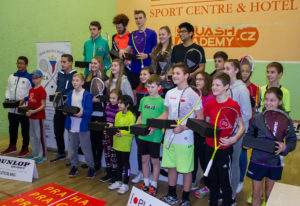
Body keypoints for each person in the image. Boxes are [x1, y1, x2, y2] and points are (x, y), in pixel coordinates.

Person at [159, 63, 203, 206]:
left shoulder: (193, 95)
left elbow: (200, 118)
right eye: (174, 73)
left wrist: (184, 128)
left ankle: (185, 199)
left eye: (178, 73)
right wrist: (152, 123)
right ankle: (171, 195)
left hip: (185, 138)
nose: (175, 76)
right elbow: (166, 113)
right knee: (171, 167)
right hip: (169, 138)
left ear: (186, 76)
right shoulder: (169, 93)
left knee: (186, 170)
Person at [245, 87, 296, 206]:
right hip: (256, 161)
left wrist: (285, 147)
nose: (268, 103)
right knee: (256, 194)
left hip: (274, 163)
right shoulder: (257, 118)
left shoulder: (286, 119)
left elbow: (292, 140)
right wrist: (247, 144)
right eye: (266, 99)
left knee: (270, 195)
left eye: (272, 100)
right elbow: (249, 135)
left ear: (280, 102)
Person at [204, 72, 245, 206]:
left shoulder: (233, 105)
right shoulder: (209, 104)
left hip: (224, 149)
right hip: (210, 147)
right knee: (213, 180)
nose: (214, 87)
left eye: (218, 85)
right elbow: (207, 123)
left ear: (226, 86)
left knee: (224, 181)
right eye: (213, 84)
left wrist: (233, 139)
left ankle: (228, 202)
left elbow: (241, 127)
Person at [224, 59, 252, 202]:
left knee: (234, 163)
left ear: (236, 71)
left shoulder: (242, 89)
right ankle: (226, 189)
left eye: (228, 68)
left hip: (237, 133)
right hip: (226, 131)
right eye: (224, 68)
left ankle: (232, 195)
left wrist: (234, 126)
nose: (225, 71)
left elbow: (247, 114)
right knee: (225, 163)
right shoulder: (227, 87)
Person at [136, 74, 166, 196]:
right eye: (148, 87)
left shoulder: (163, 102)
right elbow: (141, 116)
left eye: (152, 87)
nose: (150, 89)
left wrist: (155, 127)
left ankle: (154, 185)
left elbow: (164, 119)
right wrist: (137, 125)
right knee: (144, 160)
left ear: (159, 87)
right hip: (143, 135)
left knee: (154, 161)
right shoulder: (143, 100)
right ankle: (146, 183)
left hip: (155, 136)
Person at [237, 56, 260, 193]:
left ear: (251, 72)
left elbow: (256, 111)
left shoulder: (256, 89)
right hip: (234, 126)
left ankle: (240, 180)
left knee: (242, 154)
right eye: (242, 70)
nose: (245, 73)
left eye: (247, 71)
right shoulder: (234, 86)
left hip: (247, 127)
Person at [65, 73, 95, 179]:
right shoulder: (69, 94)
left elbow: (89, 110)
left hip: (83, 126)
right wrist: (65, 111)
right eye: (73, 80)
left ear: (82, 82)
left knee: (86, 148)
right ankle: (74, 166)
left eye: (77, 80)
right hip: (72, 125)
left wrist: (82, 113)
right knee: (73, 148)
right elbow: (68, 107)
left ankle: (91, 167)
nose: (75, 82)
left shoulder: (86, 94)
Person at [2, 56, 33, 156]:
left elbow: (32, 93)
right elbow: (8, 88)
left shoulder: (29, 78)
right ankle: (12, 146)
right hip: (12, 108)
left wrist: (25, 99)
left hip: (23, 107)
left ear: (26, 65)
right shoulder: (12, 76)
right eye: (18, 63)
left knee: (25, 129)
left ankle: (25, 148)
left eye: (22, 63)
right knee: (12, 128)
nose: (19, 65)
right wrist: (7, 98)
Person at [119, 10, 157, 90]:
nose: (138, 20)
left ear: (145, 19)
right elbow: (128, 49)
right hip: (135, 68)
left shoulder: (152, 33)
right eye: (136, 18)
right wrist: (122, 50)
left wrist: (147, 55)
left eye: (140, 18)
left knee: (148, 90)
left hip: (148, 68)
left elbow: (156, 52)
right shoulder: (132, 34)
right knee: (135, 92)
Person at [83, 56, 109, 170]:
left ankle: (97, 162)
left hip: (99, 112)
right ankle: (91, 161)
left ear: (100, 65)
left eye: (96, 63)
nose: (93, 65)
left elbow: (108, 97)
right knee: (90, 139)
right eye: (92, 63)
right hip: (88, 112)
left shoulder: (105, 78)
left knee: (98, 139)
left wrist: (98, 100)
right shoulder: (87, 78)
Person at [50, 54, 77, 163]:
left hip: (69, 107)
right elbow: (59, 87)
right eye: (61, 62)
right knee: (58, 131)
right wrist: (56, 94)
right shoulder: (60, 74)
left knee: (71, 133)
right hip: (59, 106)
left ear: (70, 63)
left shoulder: (75, 75)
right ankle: (61, 153)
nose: (62, 64)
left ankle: (72, 157)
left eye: (64, 62)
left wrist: (68, 99)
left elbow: (76, 90)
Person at [192, 72, 214, 198]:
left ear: (207, 81)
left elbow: (207, 117)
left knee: (205, 160)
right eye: (197, 79)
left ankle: (208, 185)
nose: (198, 81)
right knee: (193, 158)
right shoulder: (194, 94)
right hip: (194, 130)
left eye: (201, 79)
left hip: (205, 133)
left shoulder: (210, 97)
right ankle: (194, 181)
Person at [108, 95, 136, 195]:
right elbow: (117, 128)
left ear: (127, 105)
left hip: (125, 145)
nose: (119, 104)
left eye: (121, 103)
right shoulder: (118, 114)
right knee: (119, 164)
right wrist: (111, 128)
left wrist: (122, 133)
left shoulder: (131, 116)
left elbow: (131, 131)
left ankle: (125, 183)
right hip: (117, 143)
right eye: (118, 102)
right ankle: (118, 181)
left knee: (126, 164)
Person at [24, 70, 47, 163]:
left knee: (39, 136)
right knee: (32, 135)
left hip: (38, 116)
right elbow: (30, 103)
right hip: (31, 117)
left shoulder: (42, 90)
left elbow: (43, 105)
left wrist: (34, 111)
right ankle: (35, 153)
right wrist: (24, 108)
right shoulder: (31, 90)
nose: (34, 80)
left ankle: (42, 155)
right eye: (32, 78)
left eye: (36, 78)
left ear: (41, 78)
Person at [100, 89, 121, 183]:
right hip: (106, 133)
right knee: (107, 153)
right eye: (110, 98)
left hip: (114, 134)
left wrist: (113, 126)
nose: (112, 100)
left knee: (114, 155)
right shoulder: (107, 107)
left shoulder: (119, 109)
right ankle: (108, 172)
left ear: (118, 99)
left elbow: (120, 123)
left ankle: (115, 174)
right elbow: (107, 119)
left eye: (114, 98)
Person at [151, 26, 174, 94]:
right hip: (156, 84)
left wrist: (166, 76)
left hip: (168, 85)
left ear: (169, 35)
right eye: (159, 35)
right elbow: (153, 65)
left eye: (163, 34)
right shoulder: (155, 49)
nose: (161, 36)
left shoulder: (173, 49)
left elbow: (175, 65)